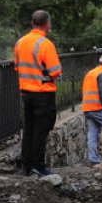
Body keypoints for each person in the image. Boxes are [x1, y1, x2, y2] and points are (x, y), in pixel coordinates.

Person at [14, 10, 62, 176]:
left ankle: (26, 166)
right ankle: (38, 166)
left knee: (29, 129)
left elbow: (17, 67)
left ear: (32, 23)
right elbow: (55, 71)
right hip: (43, 93)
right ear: (47, 24)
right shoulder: (45, 44)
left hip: (26, 93)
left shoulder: (20, 42)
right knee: (41, 131)